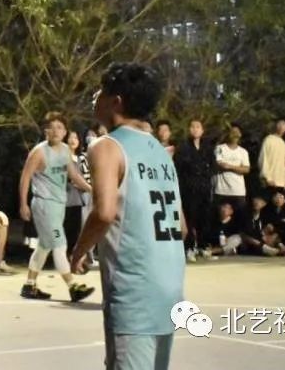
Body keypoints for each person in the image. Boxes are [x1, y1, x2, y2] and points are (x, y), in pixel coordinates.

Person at [70, 63, 185, 370]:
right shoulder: (161, 152)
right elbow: (182, 226)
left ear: (116, 102)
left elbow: (104, 212)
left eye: (101, 91)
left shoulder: (107, 146)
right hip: (170, 283)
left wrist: (79, 250)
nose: (95, 96)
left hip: (135, 288)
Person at [19, 112, 94, 303]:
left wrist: (92, 190)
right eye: (51, 127)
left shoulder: (65, 151)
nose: (55, 131)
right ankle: (73, 286)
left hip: (59, 204)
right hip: (44, 204)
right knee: (60, 245)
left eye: (59, 127)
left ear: (65, 131)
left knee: (44, 246)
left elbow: (74, 175)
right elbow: (25, 177)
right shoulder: (39, 152)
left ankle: (29, 285)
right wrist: (23, 204)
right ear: (45, 131)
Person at [174, 119, 214, 263]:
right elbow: (180, 166)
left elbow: (213, 165)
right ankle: (189, 248)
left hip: (204, 187)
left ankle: (203, 246)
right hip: (189, 187)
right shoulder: (183, 147)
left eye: (198, 127)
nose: (195, 129)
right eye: (193, 127)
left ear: (202, 130)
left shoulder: (207, 147)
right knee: (190, 217)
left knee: (204, 217)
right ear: (189, 129)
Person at [213, 126, 250, 220]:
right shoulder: (220, 148)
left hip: (238, 191)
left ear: (240, 135)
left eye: (237, 132)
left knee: (239, 219)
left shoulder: (243, 152)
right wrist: (238, 168)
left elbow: (246, 169)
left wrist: (230, 166)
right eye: (233, 132)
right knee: (219, 219)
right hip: (221, 190)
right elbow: (220, 164)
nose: (235, 134)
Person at [63, 130, 89, 260]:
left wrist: (84, 185)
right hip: (64, 199)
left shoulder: (80, 158)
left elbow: (86, 176)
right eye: (71, 137)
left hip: (77, 199)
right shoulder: (62, 157)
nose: (73, 140)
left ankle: (72, 257)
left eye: (76, 138)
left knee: (75, 230)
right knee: (64, 230)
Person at [258, 120, 285, 194]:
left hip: (280, 183)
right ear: (277, 127)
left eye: (284, 128)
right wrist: (267, 178)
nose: (282, 129)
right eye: (280, 126)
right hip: (269, 182)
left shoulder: (283, 143)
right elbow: (263, 158)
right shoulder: (268, 140)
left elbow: (284, 164)